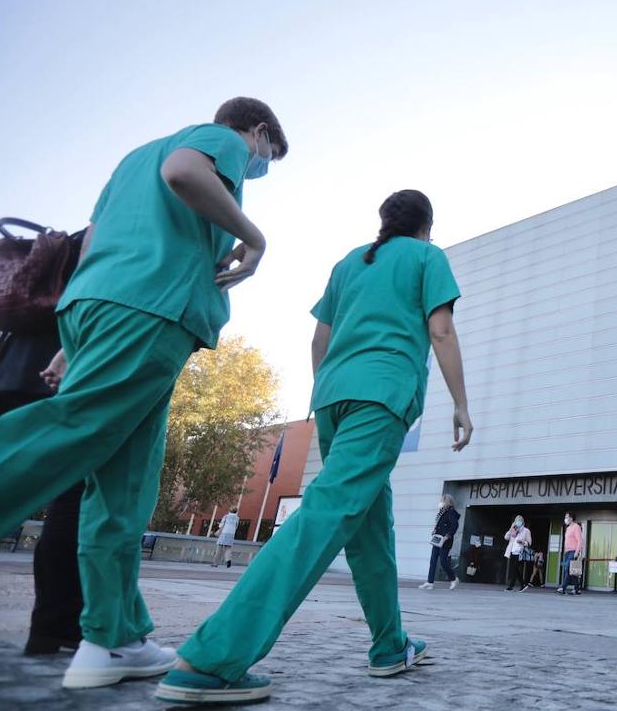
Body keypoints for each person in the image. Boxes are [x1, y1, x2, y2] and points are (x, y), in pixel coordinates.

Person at [0, 98, 287, 691]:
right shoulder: (218, 137)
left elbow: (93, 243)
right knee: (71, 430)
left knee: (124, 483)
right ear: (258, 132)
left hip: (99, 305)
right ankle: (110, 634)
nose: (258, 168)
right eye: (267, 157)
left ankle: (111, 638)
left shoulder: (130, 162)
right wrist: (254, 240)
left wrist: (72, 341)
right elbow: (185, 172)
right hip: (151, 307)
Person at [156, 189, 472, 705]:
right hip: (381, 396)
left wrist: (326, 389)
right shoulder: (426, 256)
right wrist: (461, 405)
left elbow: (318, 340)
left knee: (369, 526)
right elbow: (440, 331)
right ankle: (212, 658)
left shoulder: (349, 263)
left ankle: (390, 646)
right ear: (426, 228)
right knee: (325, 514)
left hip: (332, 400)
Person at [0, 225, 85, 655]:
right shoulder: (123, 239)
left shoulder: (66, 244)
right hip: (56, 377)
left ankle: (57, 626)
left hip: (2, 370)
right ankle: (56, 626)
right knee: (75, 499)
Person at [419, 494, 460, 590]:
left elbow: (454, 525)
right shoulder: (442, 512)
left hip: (445, 541)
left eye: (442, 500)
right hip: (437, 539)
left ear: (447, 502)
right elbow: (440, 525)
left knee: (443, 561)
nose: (440, 502)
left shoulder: (451, 512)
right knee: (433, 560)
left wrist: (447, 536)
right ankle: (430, 582)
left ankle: (454, 579)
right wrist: (435, 530)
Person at [557, 511, 583, 595]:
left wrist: (577, 552)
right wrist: (565, 551)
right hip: (568, 552)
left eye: (567, 517)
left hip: (573, 551)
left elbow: (579, 540)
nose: (566, 519)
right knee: (573, 571)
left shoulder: (576, 527)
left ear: (571, 518)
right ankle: (577, 589)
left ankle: (562, 587)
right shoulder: (568, 528)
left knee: (567, 569)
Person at [503, 516, 532, 591]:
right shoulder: (513, 529)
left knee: (514, 569)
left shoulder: (526, 531)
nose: (517, 522)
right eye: (516, 521)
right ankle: (523, 584)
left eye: (519, 521)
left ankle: (511, 587)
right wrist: (511, 529)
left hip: (520, 552)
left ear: (522, 522)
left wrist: (522, 542)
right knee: (515, 569)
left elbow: (529, 543)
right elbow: (506, 537)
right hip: (512, 552)